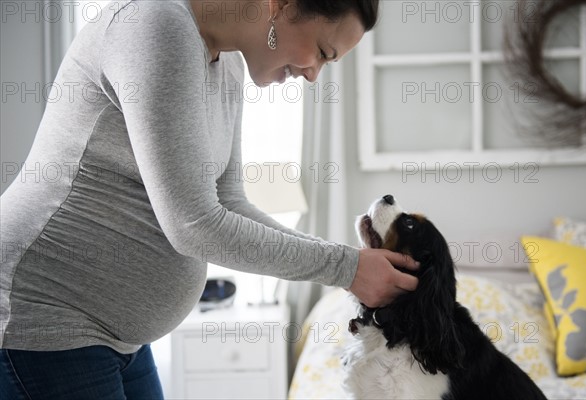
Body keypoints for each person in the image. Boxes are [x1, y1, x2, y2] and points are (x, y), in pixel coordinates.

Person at [0, 0, 418, 398]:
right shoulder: (156, 26)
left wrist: (347, 262)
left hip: (117, 335)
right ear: (281, 5)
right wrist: (345, 269)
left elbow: (228, 202)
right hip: (45, 316)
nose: (313, 75)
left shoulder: (228, 62)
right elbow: (193, 225)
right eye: (324, 52)